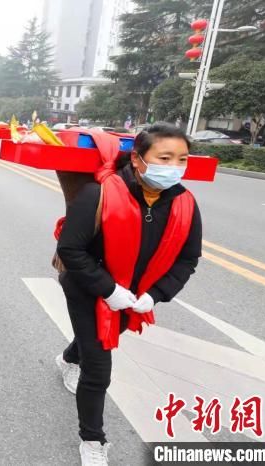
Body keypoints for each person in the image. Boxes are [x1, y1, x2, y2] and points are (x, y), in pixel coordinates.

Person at [54, 123, 202, 465]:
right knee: (99, 366)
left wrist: (155, 294)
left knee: (95, 341)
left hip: (134, 296)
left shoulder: (185, 204)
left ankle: (66, 358)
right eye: (164, 158)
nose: (174, 167)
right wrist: (109, 290)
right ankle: (92, 441)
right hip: (86, 288)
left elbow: (188, 258)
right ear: (137, 159)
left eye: (182, 159)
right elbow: (71, 250)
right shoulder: (99, 193)